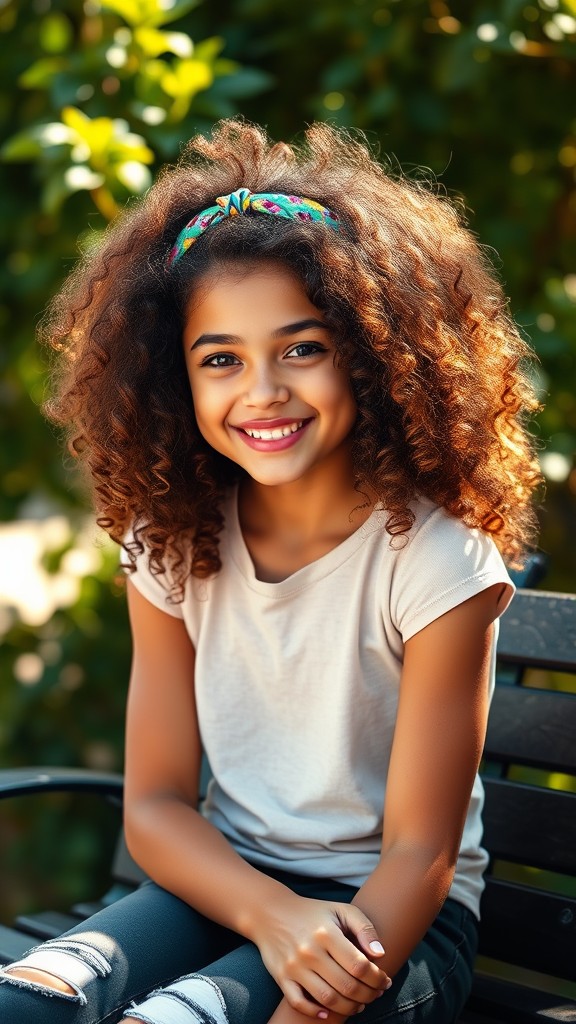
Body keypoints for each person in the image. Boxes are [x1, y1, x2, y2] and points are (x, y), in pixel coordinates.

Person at [0, 119, 541, 1024]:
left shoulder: (436, 562)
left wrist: (310, 995)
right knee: (27, 1005)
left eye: (302, 348)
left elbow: (421, 857)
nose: (263, 392)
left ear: (370, 357)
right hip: (227, 893)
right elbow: (160, 808)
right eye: (221, 360)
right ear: (175, 381)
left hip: (396, 927)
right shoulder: (172, 540)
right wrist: (273, 917)